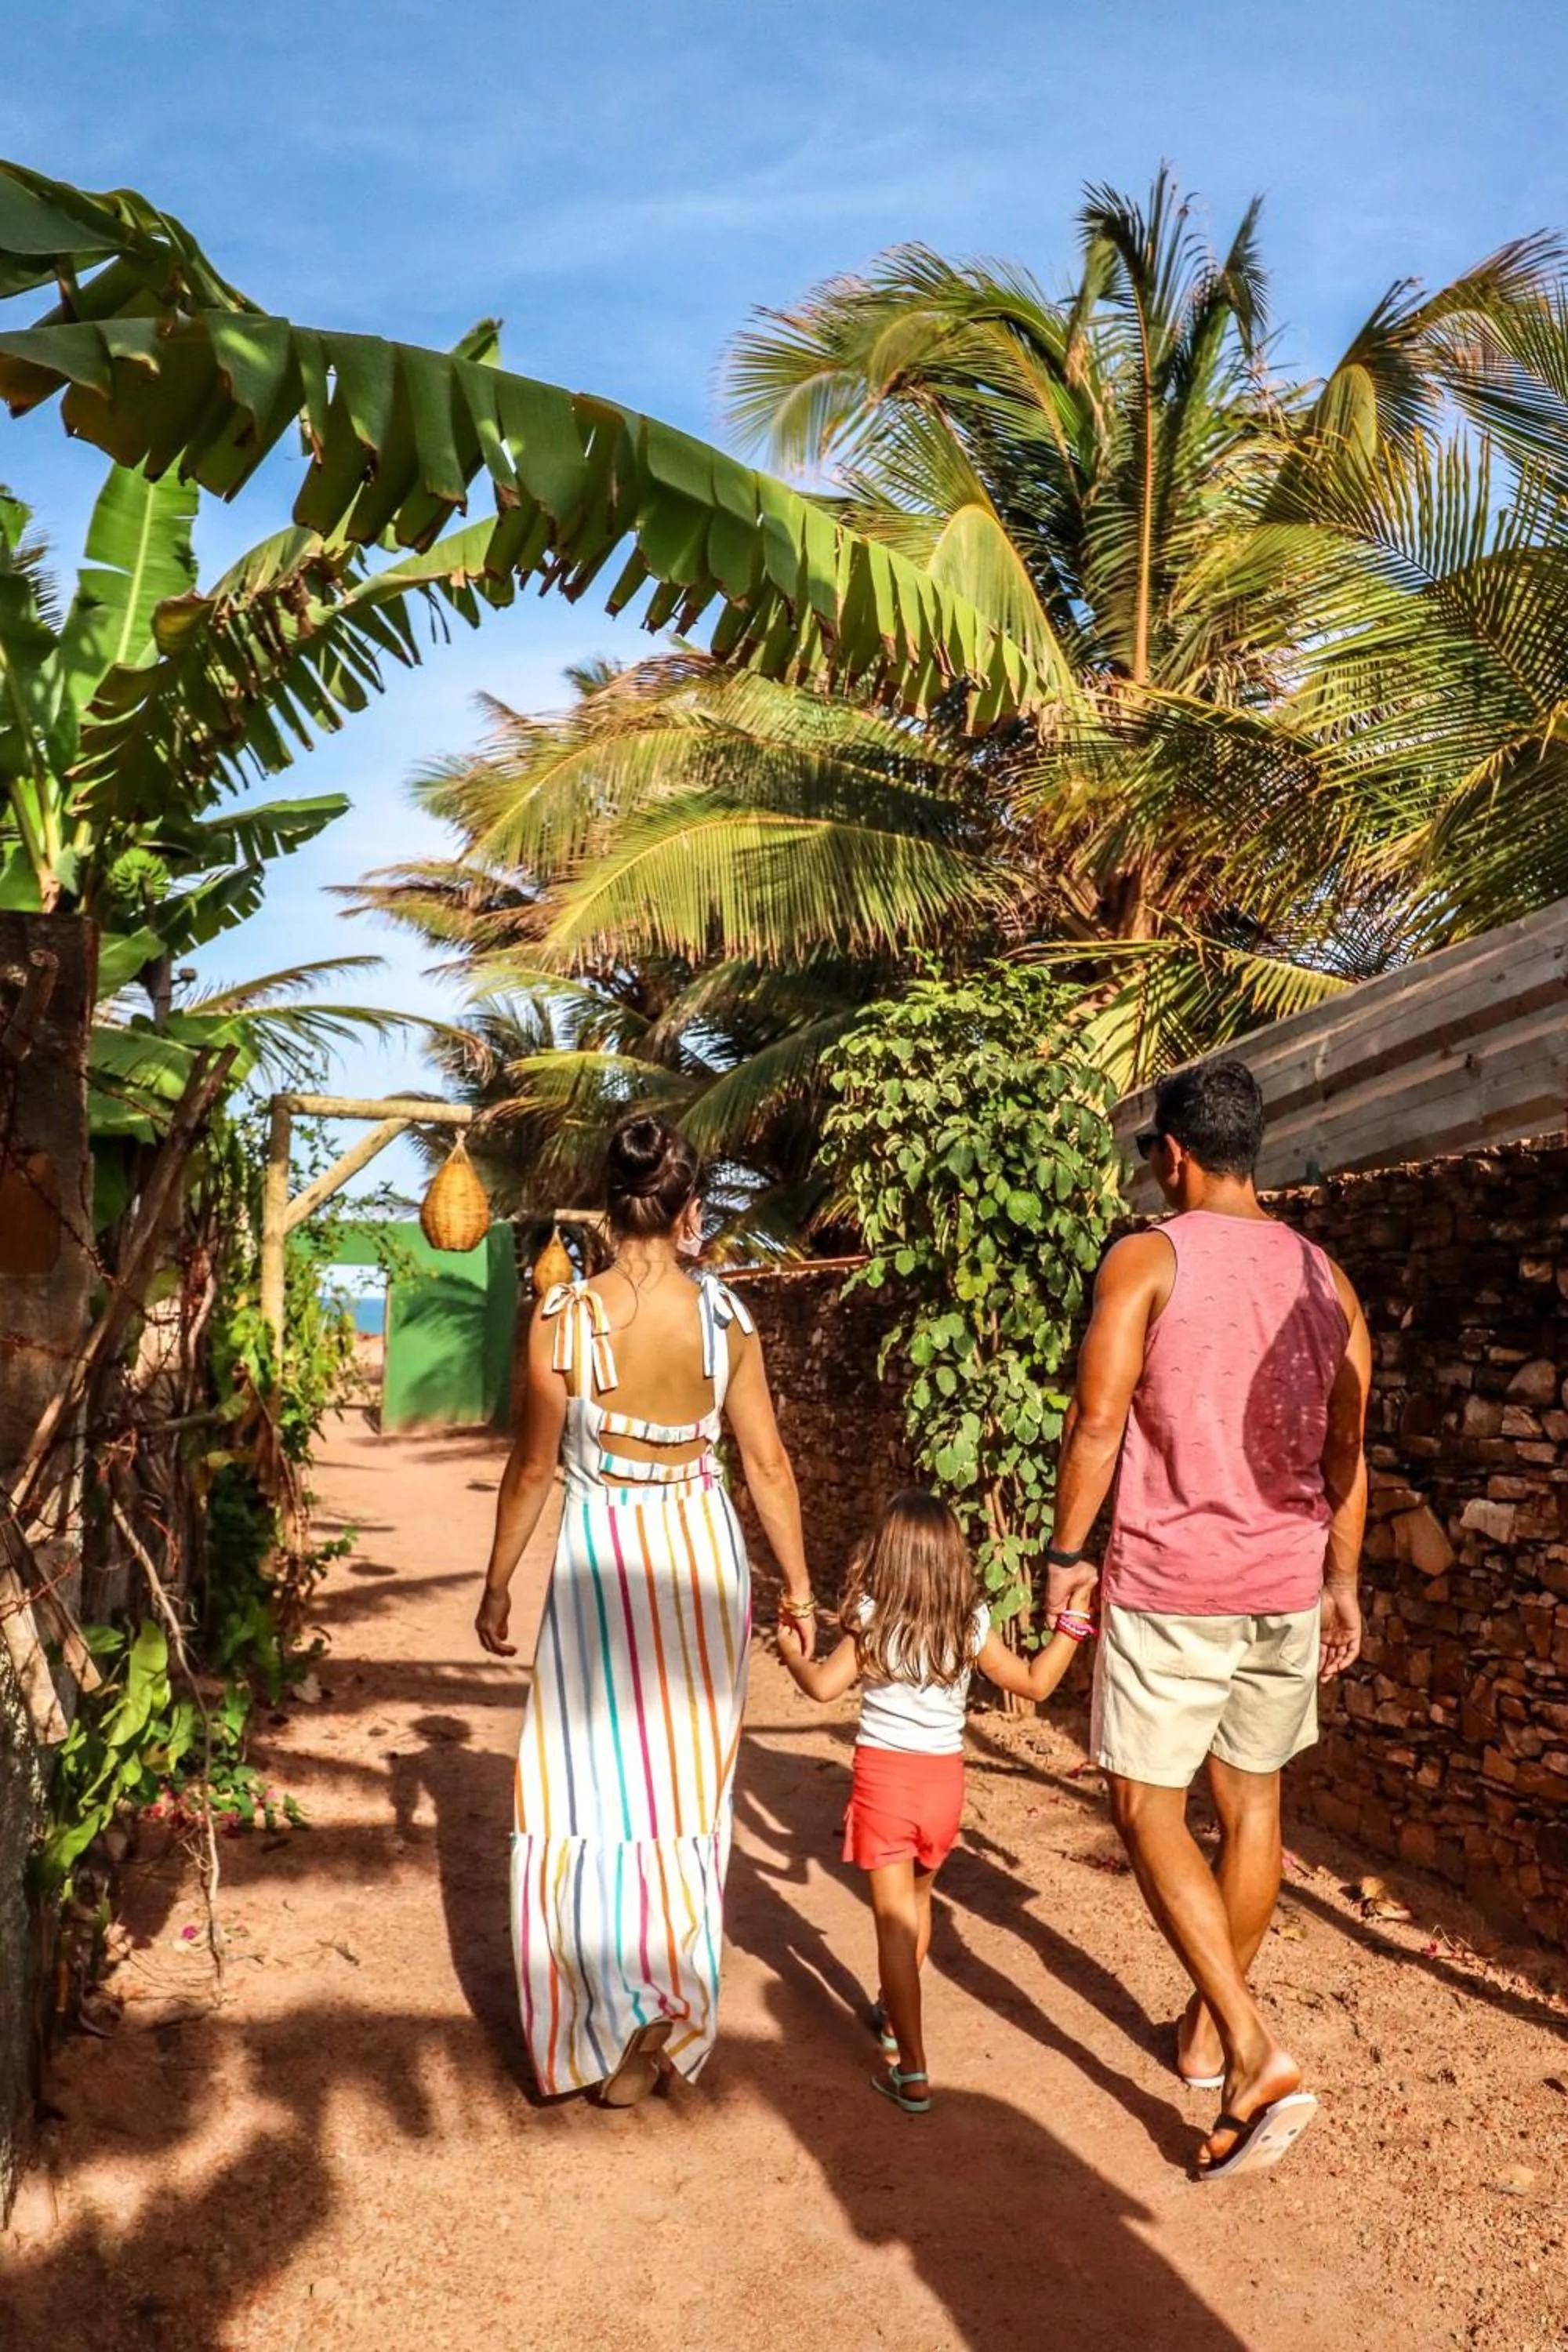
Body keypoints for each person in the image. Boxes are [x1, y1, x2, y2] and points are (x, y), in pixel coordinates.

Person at [1044, 1057, 1370, 2181]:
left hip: (1175, 1580)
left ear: (1173, 1154)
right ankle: (1202, 2030)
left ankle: (1249, 2048)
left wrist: (1063, 1555)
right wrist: (1343, 1580)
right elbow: (1348, 1450)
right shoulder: (1327, 1277)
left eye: (1149, 1157)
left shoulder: (1149, 1258)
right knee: (1253, 1803)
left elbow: (1097, 1422)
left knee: (1143, 1806)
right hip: (1285, 1581)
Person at [476, 1112, 815, 2106]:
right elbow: (767, 1465)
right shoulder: (727, 1321)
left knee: (581, 1795)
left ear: (606, 1205)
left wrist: (497, 1580)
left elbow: (533, 1467)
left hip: (601, 1565)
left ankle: (597, 2020)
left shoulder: (561, 1320)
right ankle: (668, 2007)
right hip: (700, 1559)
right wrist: (797, 1590)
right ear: (688, 1209)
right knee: (682, 1799)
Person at [778, 1489, 1092, 2114]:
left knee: (893, 1923)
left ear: (886, 1552)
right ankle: (894, 2018)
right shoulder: (970, 1623)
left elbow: (820, 1688)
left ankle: (911, 2070)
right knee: (917, 1909)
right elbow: (1034, 1681)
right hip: (943, 1785)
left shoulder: (872, 1618)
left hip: (885, 1784)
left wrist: (792, 1653)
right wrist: (1074, 1624)